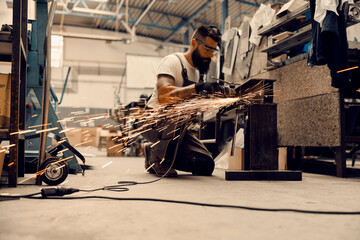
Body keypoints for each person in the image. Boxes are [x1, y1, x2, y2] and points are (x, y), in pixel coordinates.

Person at [142, 25, 224, 177]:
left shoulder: (196, 74)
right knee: (178, 111)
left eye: (213, 51)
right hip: (153, 122)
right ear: (194, 43)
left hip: (176, 128)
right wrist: (198, 88)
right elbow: (164, 95)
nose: (210, 55)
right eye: (207, 49)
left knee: (205, 165)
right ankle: (159, 158)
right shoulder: (173, 61)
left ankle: (154, 151)